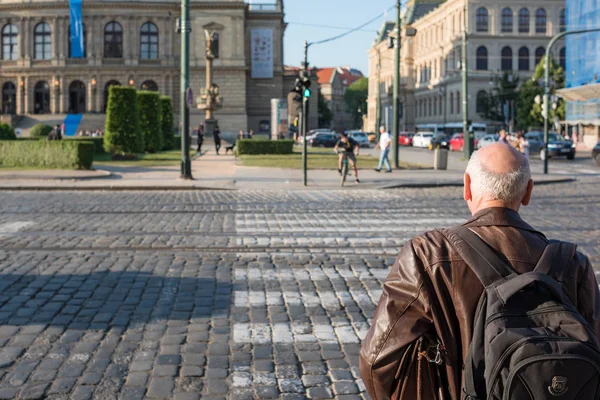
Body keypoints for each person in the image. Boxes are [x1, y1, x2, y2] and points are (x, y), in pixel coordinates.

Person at [359, 143, 600, 399]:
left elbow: (376, 360)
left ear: (466, 186)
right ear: (528, 192)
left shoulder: (427, 253)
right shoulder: (574, 262)